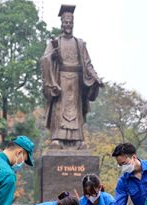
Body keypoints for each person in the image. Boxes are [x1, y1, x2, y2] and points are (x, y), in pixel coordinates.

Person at [41, 4, 102, 149]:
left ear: (73, 24)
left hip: (76, 82)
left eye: (70, 23)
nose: (68, 25)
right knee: (59, 109)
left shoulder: (79, 43)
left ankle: (78, 140)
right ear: (61, 24)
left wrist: (95, 78)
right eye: (65, 22)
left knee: (76, 110)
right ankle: (57, 139)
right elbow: (45, 59)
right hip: (60, 79)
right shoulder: (54, 43)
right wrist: (53, 56)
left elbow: (87, 63)